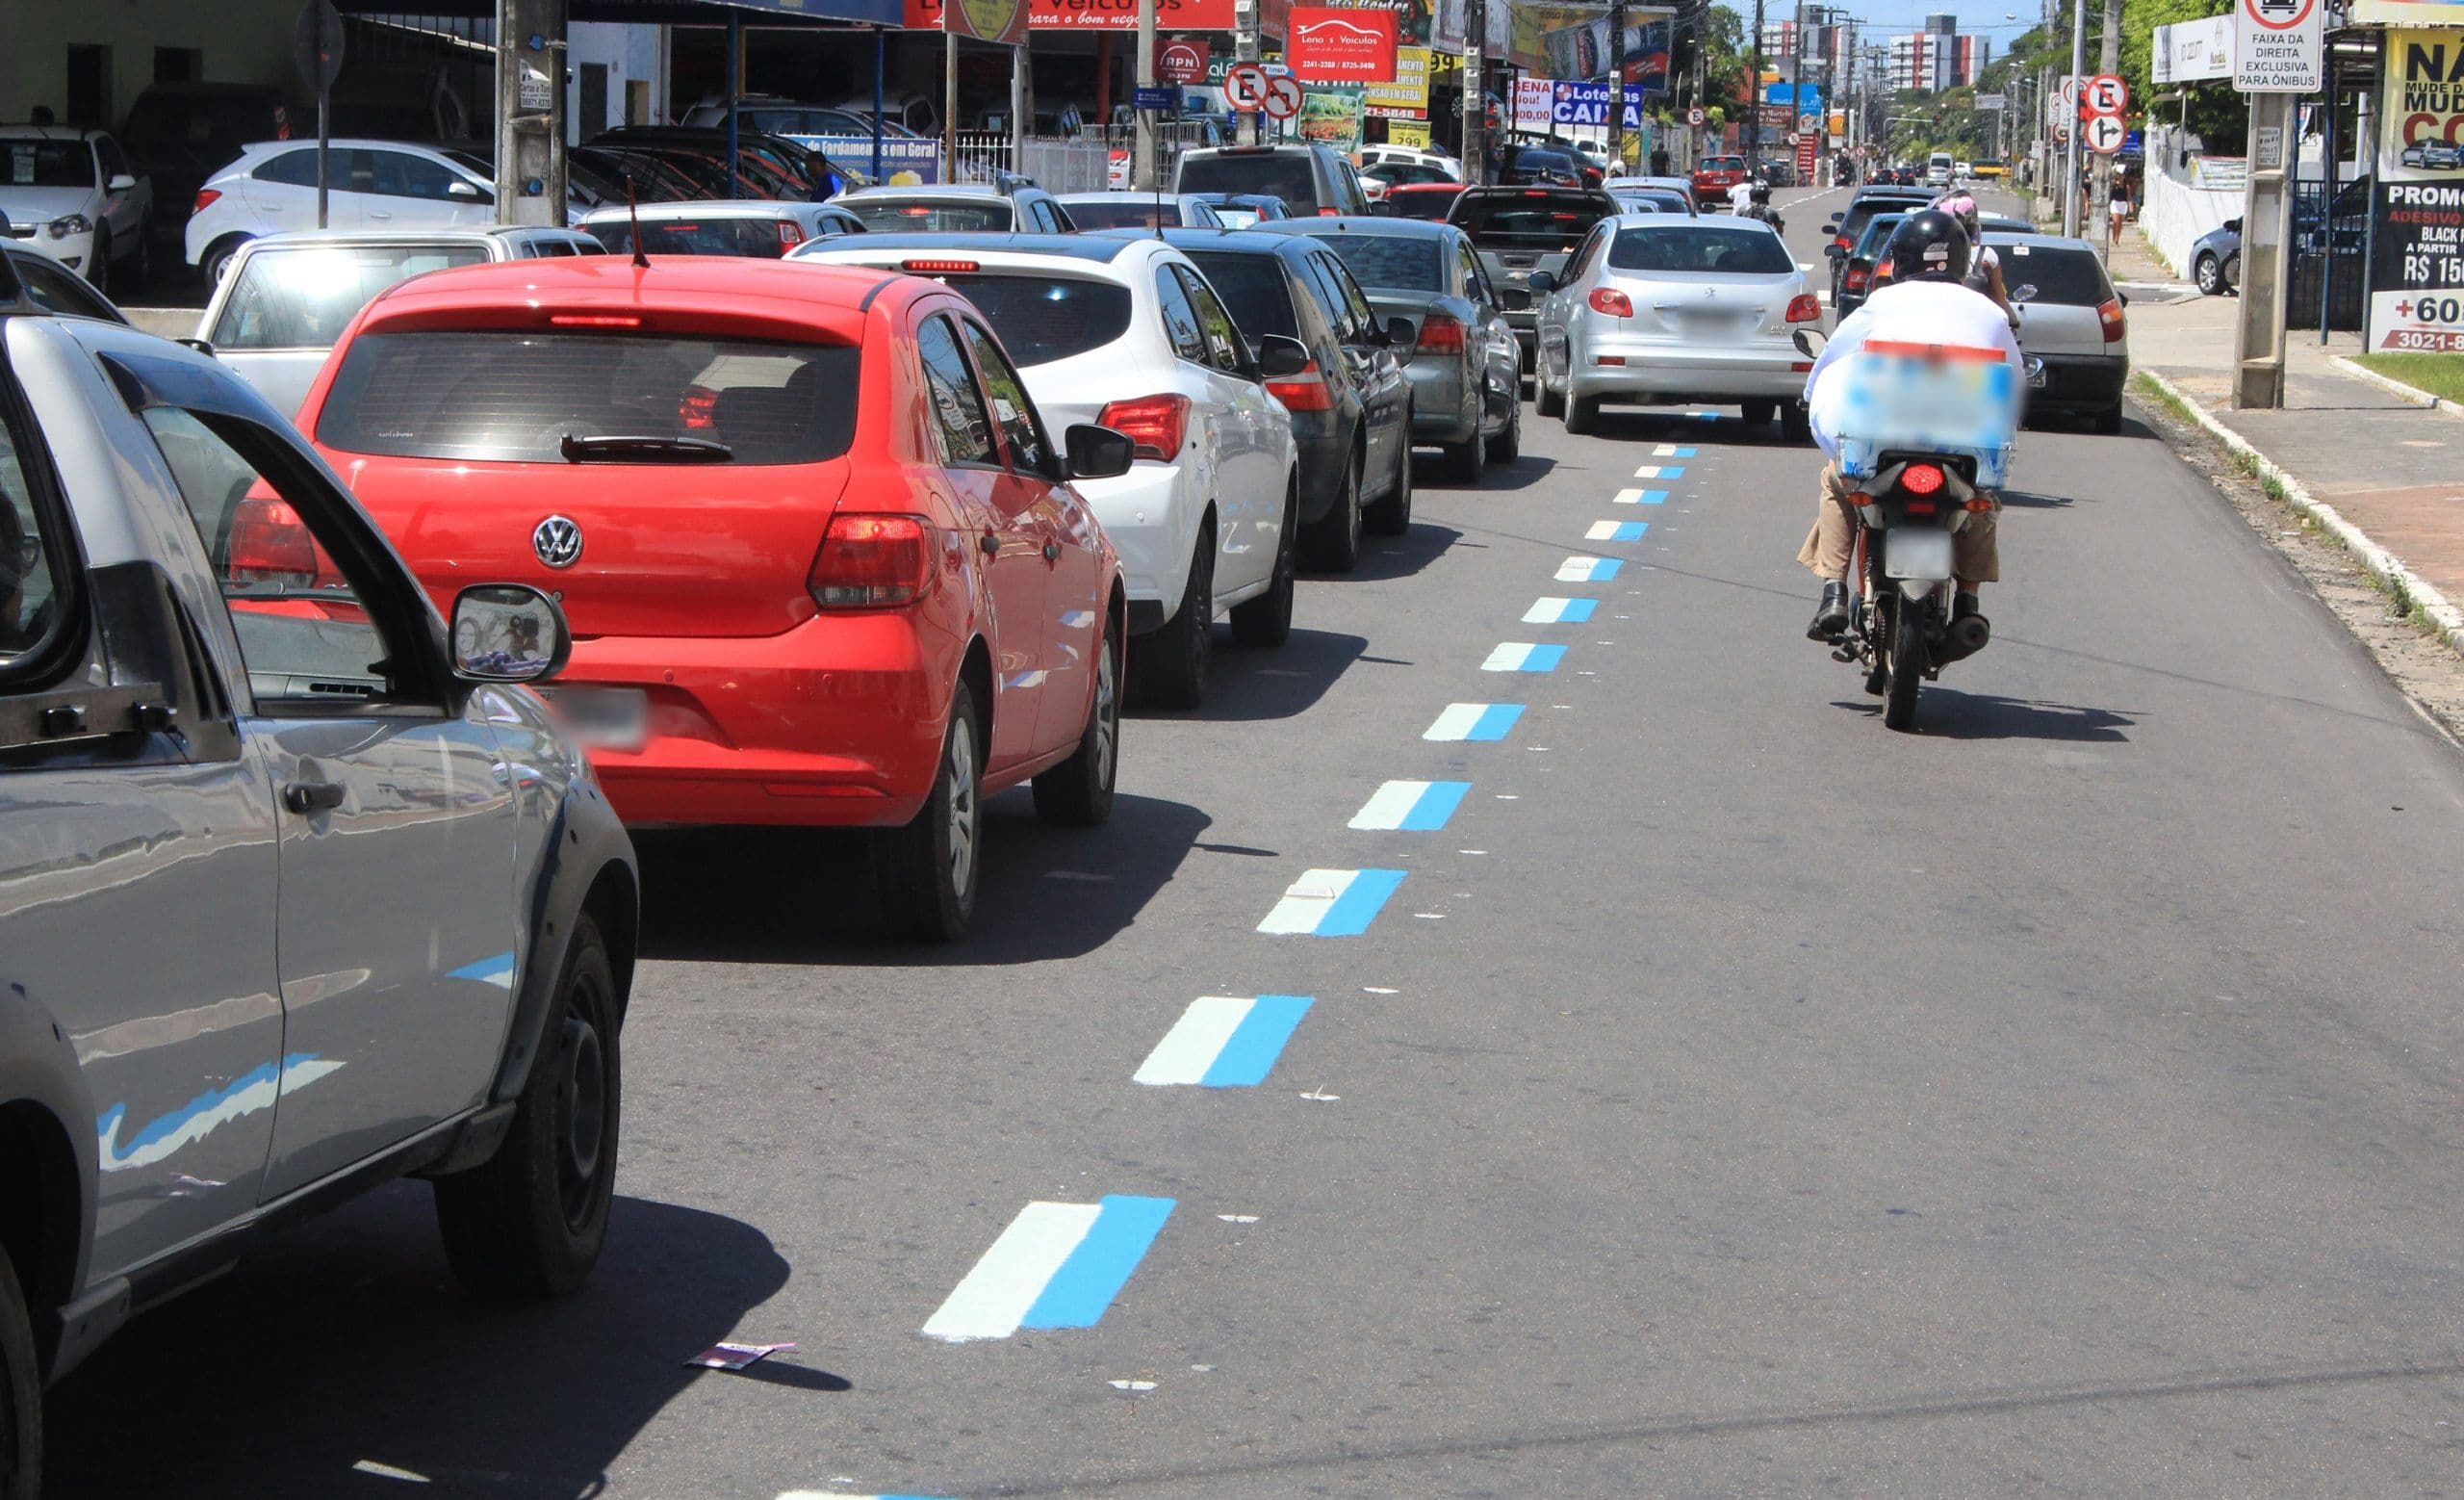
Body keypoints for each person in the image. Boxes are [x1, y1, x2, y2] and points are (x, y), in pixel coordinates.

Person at [1797, 209, 2023, 643]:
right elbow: (2012, 383)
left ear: (1900, 260)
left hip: (1884, 445)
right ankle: (1968, 603)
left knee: (1837, 483)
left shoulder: (1880, 304)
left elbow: (1831, 361)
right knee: (1981, 502)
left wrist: (1811, 399)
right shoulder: (1989, 313)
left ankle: (1834, 593)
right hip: (1964, 452)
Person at [1934, 193, 2012, 318]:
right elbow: (1999, 298)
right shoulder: (1986, 255)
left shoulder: (1929, 253)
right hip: (1975, 322)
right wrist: (2014, 321)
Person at [2108, 172, 2131, 247]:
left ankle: (2116, 240)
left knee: (2120, 223)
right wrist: (2114, 182)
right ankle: (2113, 239)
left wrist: (2130, 205)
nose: (2121, 177)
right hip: (2115, 203)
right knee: (2115, 221)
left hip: (2123, 204)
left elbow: (2129, 197)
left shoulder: (2126, 186)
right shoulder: (2114, 184)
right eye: (2119, 176)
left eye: (2122, 176)